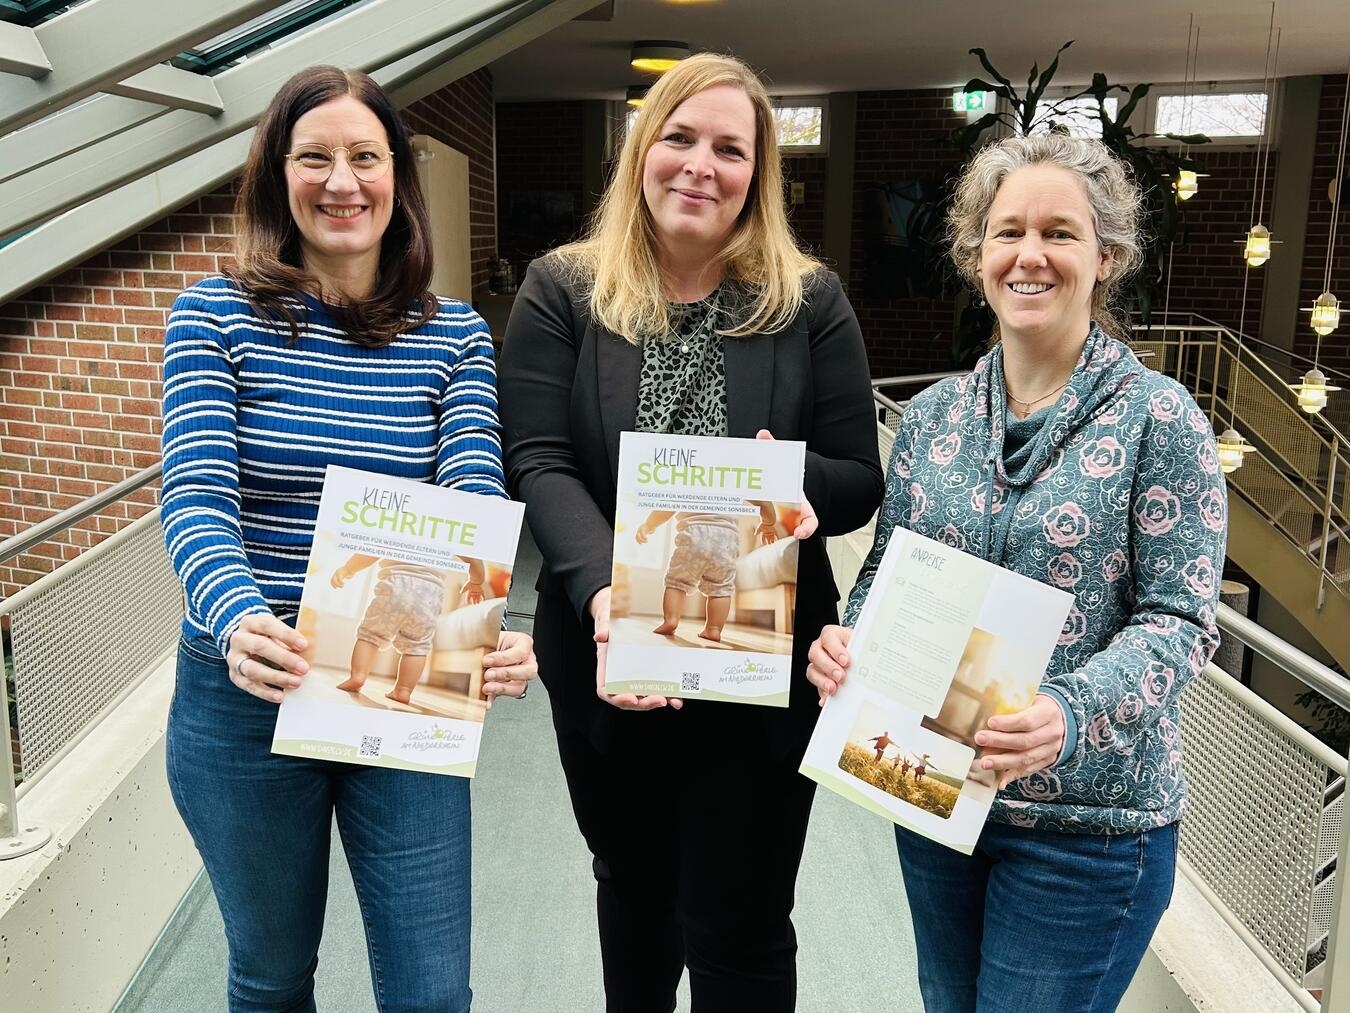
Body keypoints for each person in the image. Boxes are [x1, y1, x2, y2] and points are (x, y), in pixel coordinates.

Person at [807, 132, 1226, 1013]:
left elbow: (1182, 622)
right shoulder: (932, 419)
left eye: (1060, 233)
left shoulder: (1163, 420)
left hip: (1089, 831)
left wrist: (1068, 714)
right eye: (1007, 232)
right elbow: (888, 568)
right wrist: (848, 640)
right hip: (935, 795)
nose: (1029, 255)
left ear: (1106, 256)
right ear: (976, 254)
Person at [498, 52, 882, 1012]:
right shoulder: (564, 290)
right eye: (678, 137)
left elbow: (858, 481)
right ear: (641, 151)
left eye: (729, 148)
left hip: (763, 660)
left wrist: (785, 478)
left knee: (741, 920)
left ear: (759, 174)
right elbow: (539, 459)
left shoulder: (808, 302)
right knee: (633, 893)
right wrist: (606, 599)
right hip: (604, 652)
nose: (699, 166)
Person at [159, 65, 536, 1013]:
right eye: (315, 156)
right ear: (276, 175)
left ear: (397, 177)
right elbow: (196, 492)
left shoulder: (453, 335)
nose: (342, 182)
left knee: (430, 992)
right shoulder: (213, 316)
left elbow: (471, 491)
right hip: (250, 689)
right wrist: (241, 617)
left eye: (365, 156)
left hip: (399, 683)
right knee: (272, 974)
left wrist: (484, 621)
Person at [331, 553, 487, 705]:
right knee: (417, 646)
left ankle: (358, 676)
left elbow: (370, 553)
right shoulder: (451, 534)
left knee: (370, 634)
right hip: (429, 596)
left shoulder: (399, 526)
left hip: (395, 586)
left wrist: (348, 569)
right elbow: (474, 559)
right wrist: (476, 582)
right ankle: (403, 690)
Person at [635, 501, 777, 641]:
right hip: (726, 541)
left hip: (695, 534)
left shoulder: (690, 477)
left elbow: (667, 506)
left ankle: (671, 620)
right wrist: (768, 524)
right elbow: (765, 503)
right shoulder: (738, 480)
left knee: (677, 581)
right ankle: (714, 629)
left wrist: (649, 525)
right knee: (720, 588)